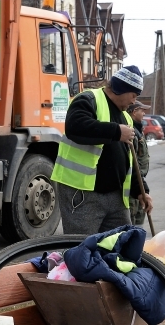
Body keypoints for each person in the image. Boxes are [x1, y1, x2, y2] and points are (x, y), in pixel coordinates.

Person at [52, 65, 153, 234]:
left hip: (116, 198)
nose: (133, 101)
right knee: (82, 249)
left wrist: (141, 190)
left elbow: (129, 160)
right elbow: (75, 127)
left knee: (120, 247)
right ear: (121, 89)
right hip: (83, 195)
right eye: (133, 95)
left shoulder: (126, 117)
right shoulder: (88, 99)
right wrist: (115, 132)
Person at [128, 100, 151, 226]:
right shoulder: (131, 132)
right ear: (134, 111)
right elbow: (133, 162)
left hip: (139, 181)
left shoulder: (138, 130)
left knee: (138, 221)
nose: (144, 113)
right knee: (131, 222)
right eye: (142, 110)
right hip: (133, 185)